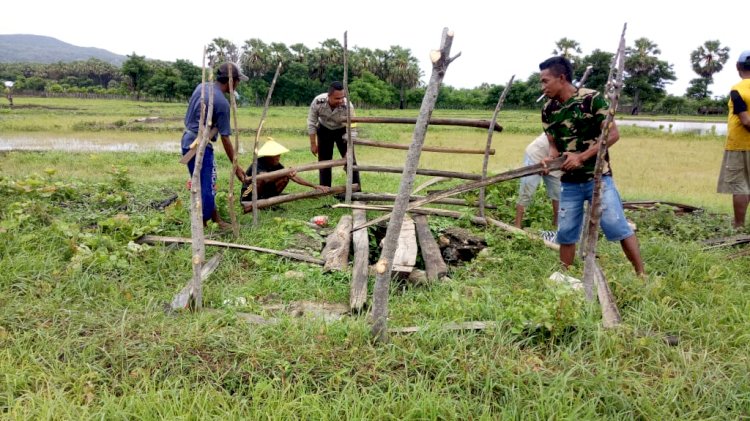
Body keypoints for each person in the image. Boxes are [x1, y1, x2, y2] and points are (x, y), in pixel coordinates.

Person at [539, 56, 644, 276]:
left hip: (598, 178)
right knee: (566, 232)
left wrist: (581, 157)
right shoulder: (548, 110)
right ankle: (564, 279)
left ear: (562, 78)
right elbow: (554, 148)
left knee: (616, 225)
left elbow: (612, 135)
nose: (543, 86)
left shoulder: (591, 99)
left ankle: (641, 274)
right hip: (569, 182)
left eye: (545, 81)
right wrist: (550, 161)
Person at [181, 62, 247, 229]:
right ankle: (202, 225)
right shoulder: (223, 104)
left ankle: (215, 218)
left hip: (187, 141)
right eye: (237, 81)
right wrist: (236, 167)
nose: (238, 84)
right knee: (207, 186)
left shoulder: (201, 87)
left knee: (201, 184)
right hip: (200, 146)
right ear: (232, 82)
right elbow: (226, 139)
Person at [240, 140, 329, 212]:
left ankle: (268, 202)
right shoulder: (258, 163)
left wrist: (314, 186)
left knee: (285, 177)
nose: (278, 157)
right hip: (248, 193)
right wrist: (283, 173)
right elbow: (265, 178)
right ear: (268, 156)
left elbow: (292, 176)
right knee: (259, 180)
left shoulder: (277, 165)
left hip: (263, 192)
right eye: (275, 155)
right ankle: (255, 203)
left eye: (279, 155)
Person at [717, 50, 750, 229]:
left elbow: (745, 120)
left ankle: (738, 226)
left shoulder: (737, 89)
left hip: (739, 145)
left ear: (738, 67)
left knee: (740, 186)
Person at [307, 81, 361, 188]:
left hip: (342, 131)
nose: (340, 100)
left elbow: (353, 127)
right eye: (337, 98)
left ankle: (356, 189)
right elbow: (311, 122)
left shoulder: (348, 105)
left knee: (350, 161)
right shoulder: (318, 102)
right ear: (329, 96)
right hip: (324, 129)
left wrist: (349, 149)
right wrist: (313, 144)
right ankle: (325, 189)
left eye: (342, 97)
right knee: (324, 162)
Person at [514, 132, 562, 230]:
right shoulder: (561, 124)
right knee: (527, 190)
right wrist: (551, 159)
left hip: (557, 161)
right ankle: (517, 226)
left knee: (558, 193)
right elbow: (553, 139)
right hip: (536, 155)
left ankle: (556, 225)